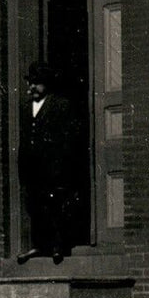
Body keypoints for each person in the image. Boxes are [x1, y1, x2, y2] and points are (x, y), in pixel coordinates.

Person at [17, 61, 89, 265]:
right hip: (33, 168)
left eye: (37, 83)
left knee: (56, 205)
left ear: (47, 83)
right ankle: (39, 245)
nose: (32, 87)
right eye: (30, 83)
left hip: (54, 168)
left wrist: (61, 166)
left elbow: (69, 139)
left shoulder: (60, 105)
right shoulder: (26, 108)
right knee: (35, 205)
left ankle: (58, 246)